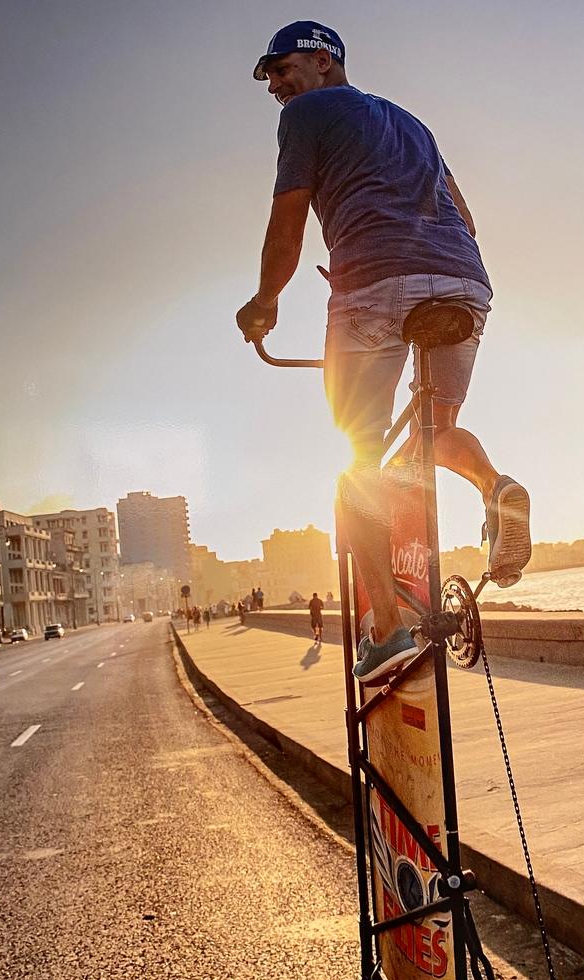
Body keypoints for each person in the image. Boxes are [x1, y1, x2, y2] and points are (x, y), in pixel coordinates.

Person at [237, 22, 531, 683]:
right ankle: (497, 488)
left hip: (373, 285)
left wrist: (264, 301)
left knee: (355, 458)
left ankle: (385, 630)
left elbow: (287, 222)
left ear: (322, 61)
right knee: (435, 428)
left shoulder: (308, 113)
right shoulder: (411, 123)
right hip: (462, 284)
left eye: (282, 70)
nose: (276, 86)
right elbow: (465, 217)